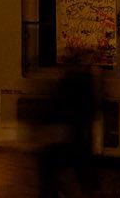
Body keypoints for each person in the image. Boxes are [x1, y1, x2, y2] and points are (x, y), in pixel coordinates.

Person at [37, 63, 101, 196]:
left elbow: (52, 109)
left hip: (64, 134)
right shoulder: (84, 83)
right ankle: (87, 189)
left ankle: (54, 191)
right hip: (75, 133)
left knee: (50, 168)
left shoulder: (66, 84)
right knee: (81, 166)